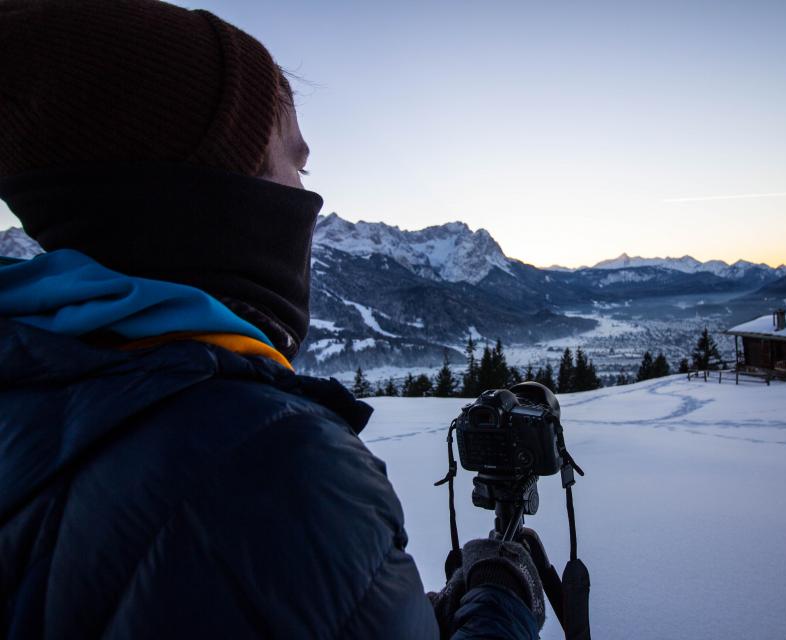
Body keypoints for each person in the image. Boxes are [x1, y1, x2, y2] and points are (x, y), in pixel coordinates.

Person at [0, 1, 544, 638]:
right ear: (213, 195)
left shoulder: (29, 381)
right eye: (297, 163)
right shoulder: (279, 468)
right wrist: (499, 599)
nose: (310, 198)